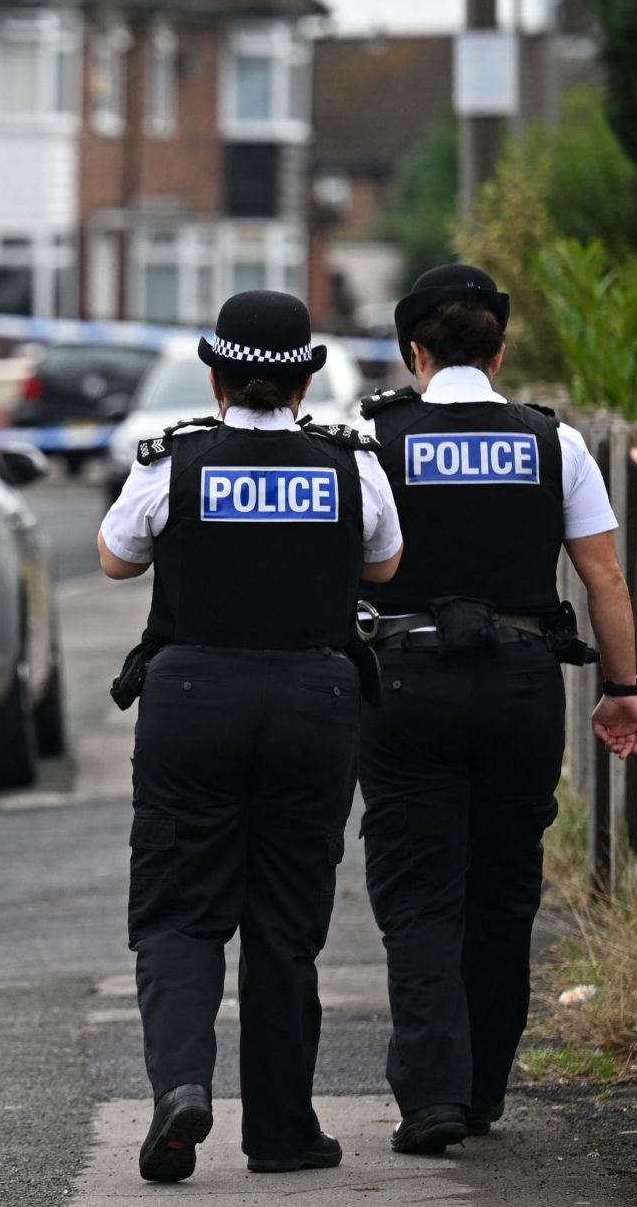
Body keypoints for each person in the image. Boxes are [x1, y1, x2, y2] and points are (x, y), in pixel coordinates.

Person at [97, 290, 404, 1184]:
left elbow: (117, 557)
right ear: (306, 381)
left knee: (180, 910)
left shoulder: (174, 462)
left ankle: (182, 1087)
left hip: (193, 699)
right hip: (315, 699)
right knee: (284, 925)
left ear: (215, 377)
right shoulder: (351, 465)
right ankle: (280, 1131)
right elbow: (384, 564)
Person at [354, 264, 637, 1154]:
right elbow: (603, 578)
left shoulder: (374, 440)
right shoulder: (550, 442)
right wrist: (622, 692)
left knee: (419, 894)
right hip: (522, 687)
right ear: (501, 350)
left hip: (404, 686)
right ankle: (481, 1092)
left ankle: (432, 1097)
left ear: (416, 354)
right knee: (505, 891)